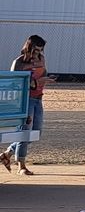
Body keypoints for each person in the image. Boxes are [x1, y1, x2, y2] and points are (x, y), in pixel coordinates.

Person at [2, 34, 47, 176]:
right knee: (24, 132)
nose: (38, 53)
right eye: (35, 50)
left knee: (36, 133)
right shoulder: (19, 62)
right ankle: (21, 165)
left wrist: (45, 79)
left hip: (38, 99)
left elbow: (42, 73)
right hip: (24, 101)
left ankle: (7, 154)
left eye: (40, 50)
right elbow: (13, 83)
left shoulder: (41, 59)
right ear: (28, 48)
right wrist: (33, 83)